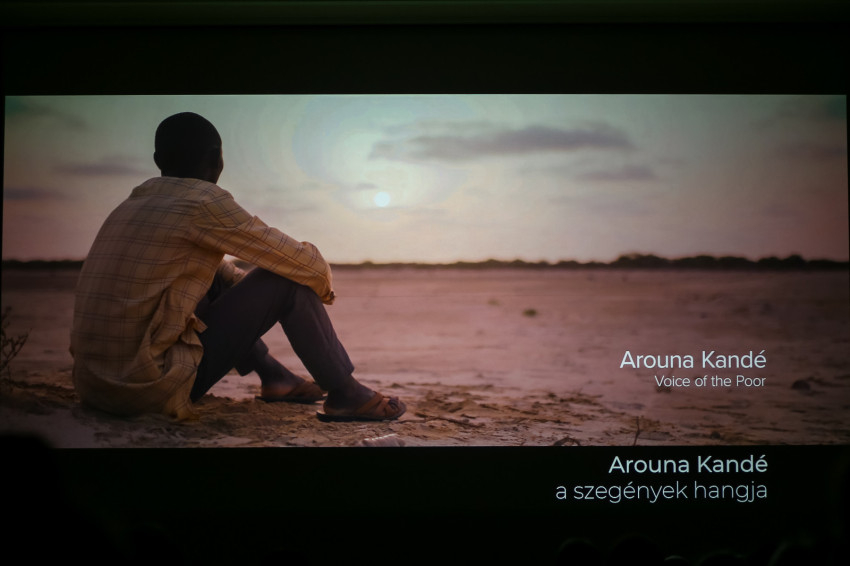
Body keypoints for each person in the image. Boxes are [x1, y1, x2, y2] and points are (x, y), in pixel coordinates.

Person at [70, 111, 405, 422]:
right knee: (288, 279)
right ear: (217, 159)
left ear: (158, 160)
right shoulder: (203, 201)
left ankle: (275, 377)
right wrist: (293, 296)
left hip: (95, 386)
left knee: (215, 277)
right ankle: (345, 393)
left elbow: (224, 279)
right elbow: (309, 266)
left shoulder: (130, 205)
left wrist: (253, 301)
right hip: (149, 389)